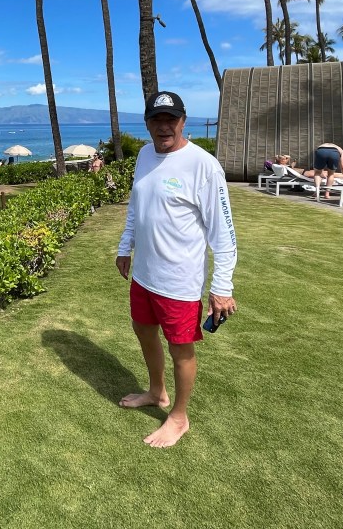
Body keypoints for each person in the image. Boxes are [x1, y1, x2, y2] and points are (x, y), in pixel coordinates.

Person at [116, 91, 238, 448]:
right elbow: (136, 207)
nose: (164, 127)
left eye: (171, 119)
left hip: (179, 281)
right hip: (144, 274)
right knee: (143, 329)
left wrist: (222, 287)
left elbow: (224, 234)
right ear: (147, 124)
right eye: (157, 120)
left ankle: (179, 417)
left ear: (183, 121)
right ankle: (157, 391)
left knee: (180, 348)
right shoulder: (144, 155)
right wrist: (125, 246)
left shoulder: (203, 166)